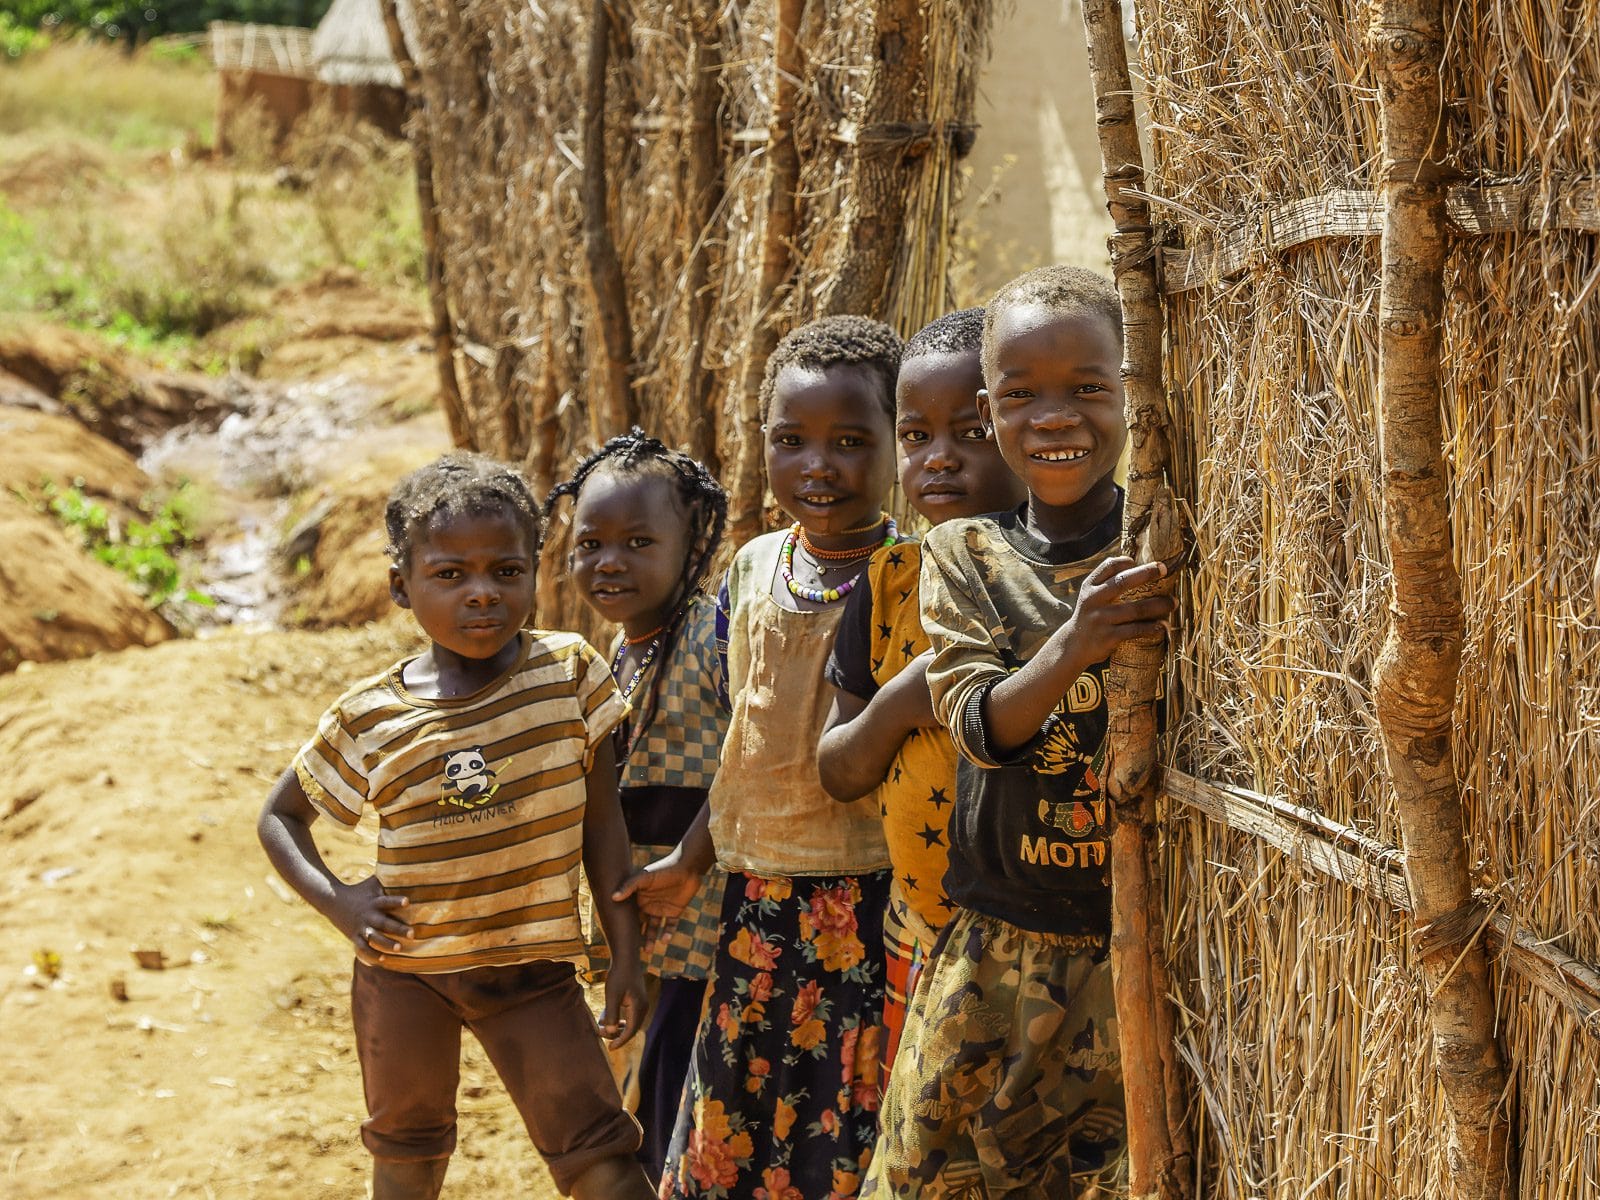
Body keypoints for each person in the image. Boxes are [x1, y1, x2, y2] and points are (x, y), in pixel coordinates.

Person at [257, 452, 656, 1200]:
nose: (482, 595)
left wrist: (623, 955)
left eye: (505, 572)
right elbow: (280, 817)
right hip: (406, 976)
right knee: (408, 1153)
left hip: (532, 974)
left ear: (534, 572)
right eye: (450, 575)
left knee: (599, 1155)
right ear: (400, 588)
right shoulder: (371, 717)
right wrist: (342, 904)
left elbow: (605, 826)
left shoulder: (568, 675)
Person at [862, 266, 1175, 1198]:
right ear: (991, 409)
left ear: (1133, 392)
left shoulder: (1165, 540)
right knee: (931, 1177)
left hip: (1136, 942)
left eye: (1087, 388)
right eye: (1021, 394)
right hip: (997, 946)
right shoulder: (966, 554)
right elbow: (976, 723)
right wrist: (1078, 642)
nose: (1055, 416)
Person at [631, 315, 904, 1199]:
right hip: (752, 910)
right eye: (791, 442)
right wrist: (689, 857)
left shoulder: (913, 573)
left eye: (850, 441)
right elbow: (745, 747)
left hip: (866, 905)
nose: (817, 466)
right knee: (730, 1143)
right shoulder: (754, 568)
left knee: (838, 1136)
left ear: (898, 442)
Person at [816, 306, 1024, 1075]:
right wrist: (906, 699)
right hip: (920, 935)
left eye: (971, 433)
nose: (939, 458)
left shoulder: (1060, 590)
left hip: (1046, 950)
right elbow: (838, 770)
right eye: (915, 436)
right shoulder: (889, 586)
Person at [547, 428, 731, 1184]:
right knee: (651, 1118)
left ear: (689, 551)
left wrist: (690, 855)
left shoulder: (714, 638)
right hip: (656, 945)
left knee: (687, 1125)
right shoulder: (616, 654)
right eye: (591, 543)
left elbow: (755, 759)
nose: (610, 561)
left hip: (714, 942)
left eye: (637, 542)